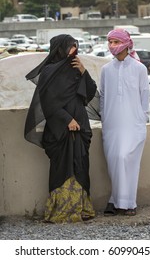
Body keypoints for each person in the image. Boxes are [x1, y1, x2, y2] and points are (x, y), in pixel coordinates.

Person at [24, 34, 97, 223]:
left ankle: (82, 209)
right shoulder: (49, 72)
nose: (75, 51)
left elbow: (89, 94)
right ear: (60, 49)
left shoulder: (75, 69)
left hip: (80, 127)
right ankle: (62, 211)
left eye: (76, 46)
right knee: (62, 168)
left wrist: (83, 71)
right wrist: (67, 120)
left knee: (81, 164)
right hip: (61, 130)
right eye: (71, 47)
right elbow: (48, 102)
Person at [99, 28, 150, 216]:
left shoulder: (139, 68)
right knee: (114, 162)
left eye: (115, 42)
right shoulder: (106, 69)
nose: (112, 46)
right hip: (112, 125)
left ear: (126, 44)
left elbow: (145, 96)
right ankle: (115, 200)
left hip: (133, 124)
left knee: (126, 160)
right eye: (110, 42)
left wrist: (141, 119)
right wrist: (105, 119)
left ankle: (129, 202)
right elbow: (103, 96)